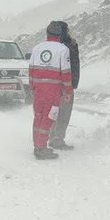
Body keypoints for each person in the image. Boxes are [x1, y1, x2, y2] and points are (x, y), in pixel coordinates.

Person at [29, 21, 73, 160]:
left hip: (38, 90)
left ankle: (37, 146)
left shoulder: (37, 48)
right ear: (59, 35)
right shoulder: (62, 49)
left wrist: (32, 87)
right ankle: (42, 149)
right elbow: (65, 73)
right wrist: (68, 91)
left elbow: (30, 70)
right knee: (49, 118)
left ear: (47, 33)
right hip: (53, 90)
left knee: (38, 116)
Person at [49, 21, 79, 150]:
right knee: (64, 113)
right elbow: (71, 67)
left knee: (54, 112)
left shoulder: (52, 46)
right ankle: (58, 139)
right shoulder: (68, 46)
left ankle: (52, 137)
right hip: (65, 84)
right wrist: (71, 85)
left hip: (53, 84)